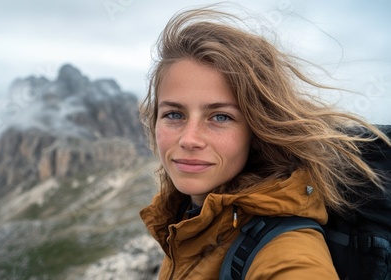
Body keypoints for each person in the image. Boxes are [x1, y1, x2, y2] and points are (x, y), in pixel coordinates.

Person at [138, 6, 391, 280]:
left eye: (220, 117)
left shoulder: (286, 251)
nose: (189, 139)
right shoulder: (185, 216)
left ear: (256, 129)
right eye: (174, 114)